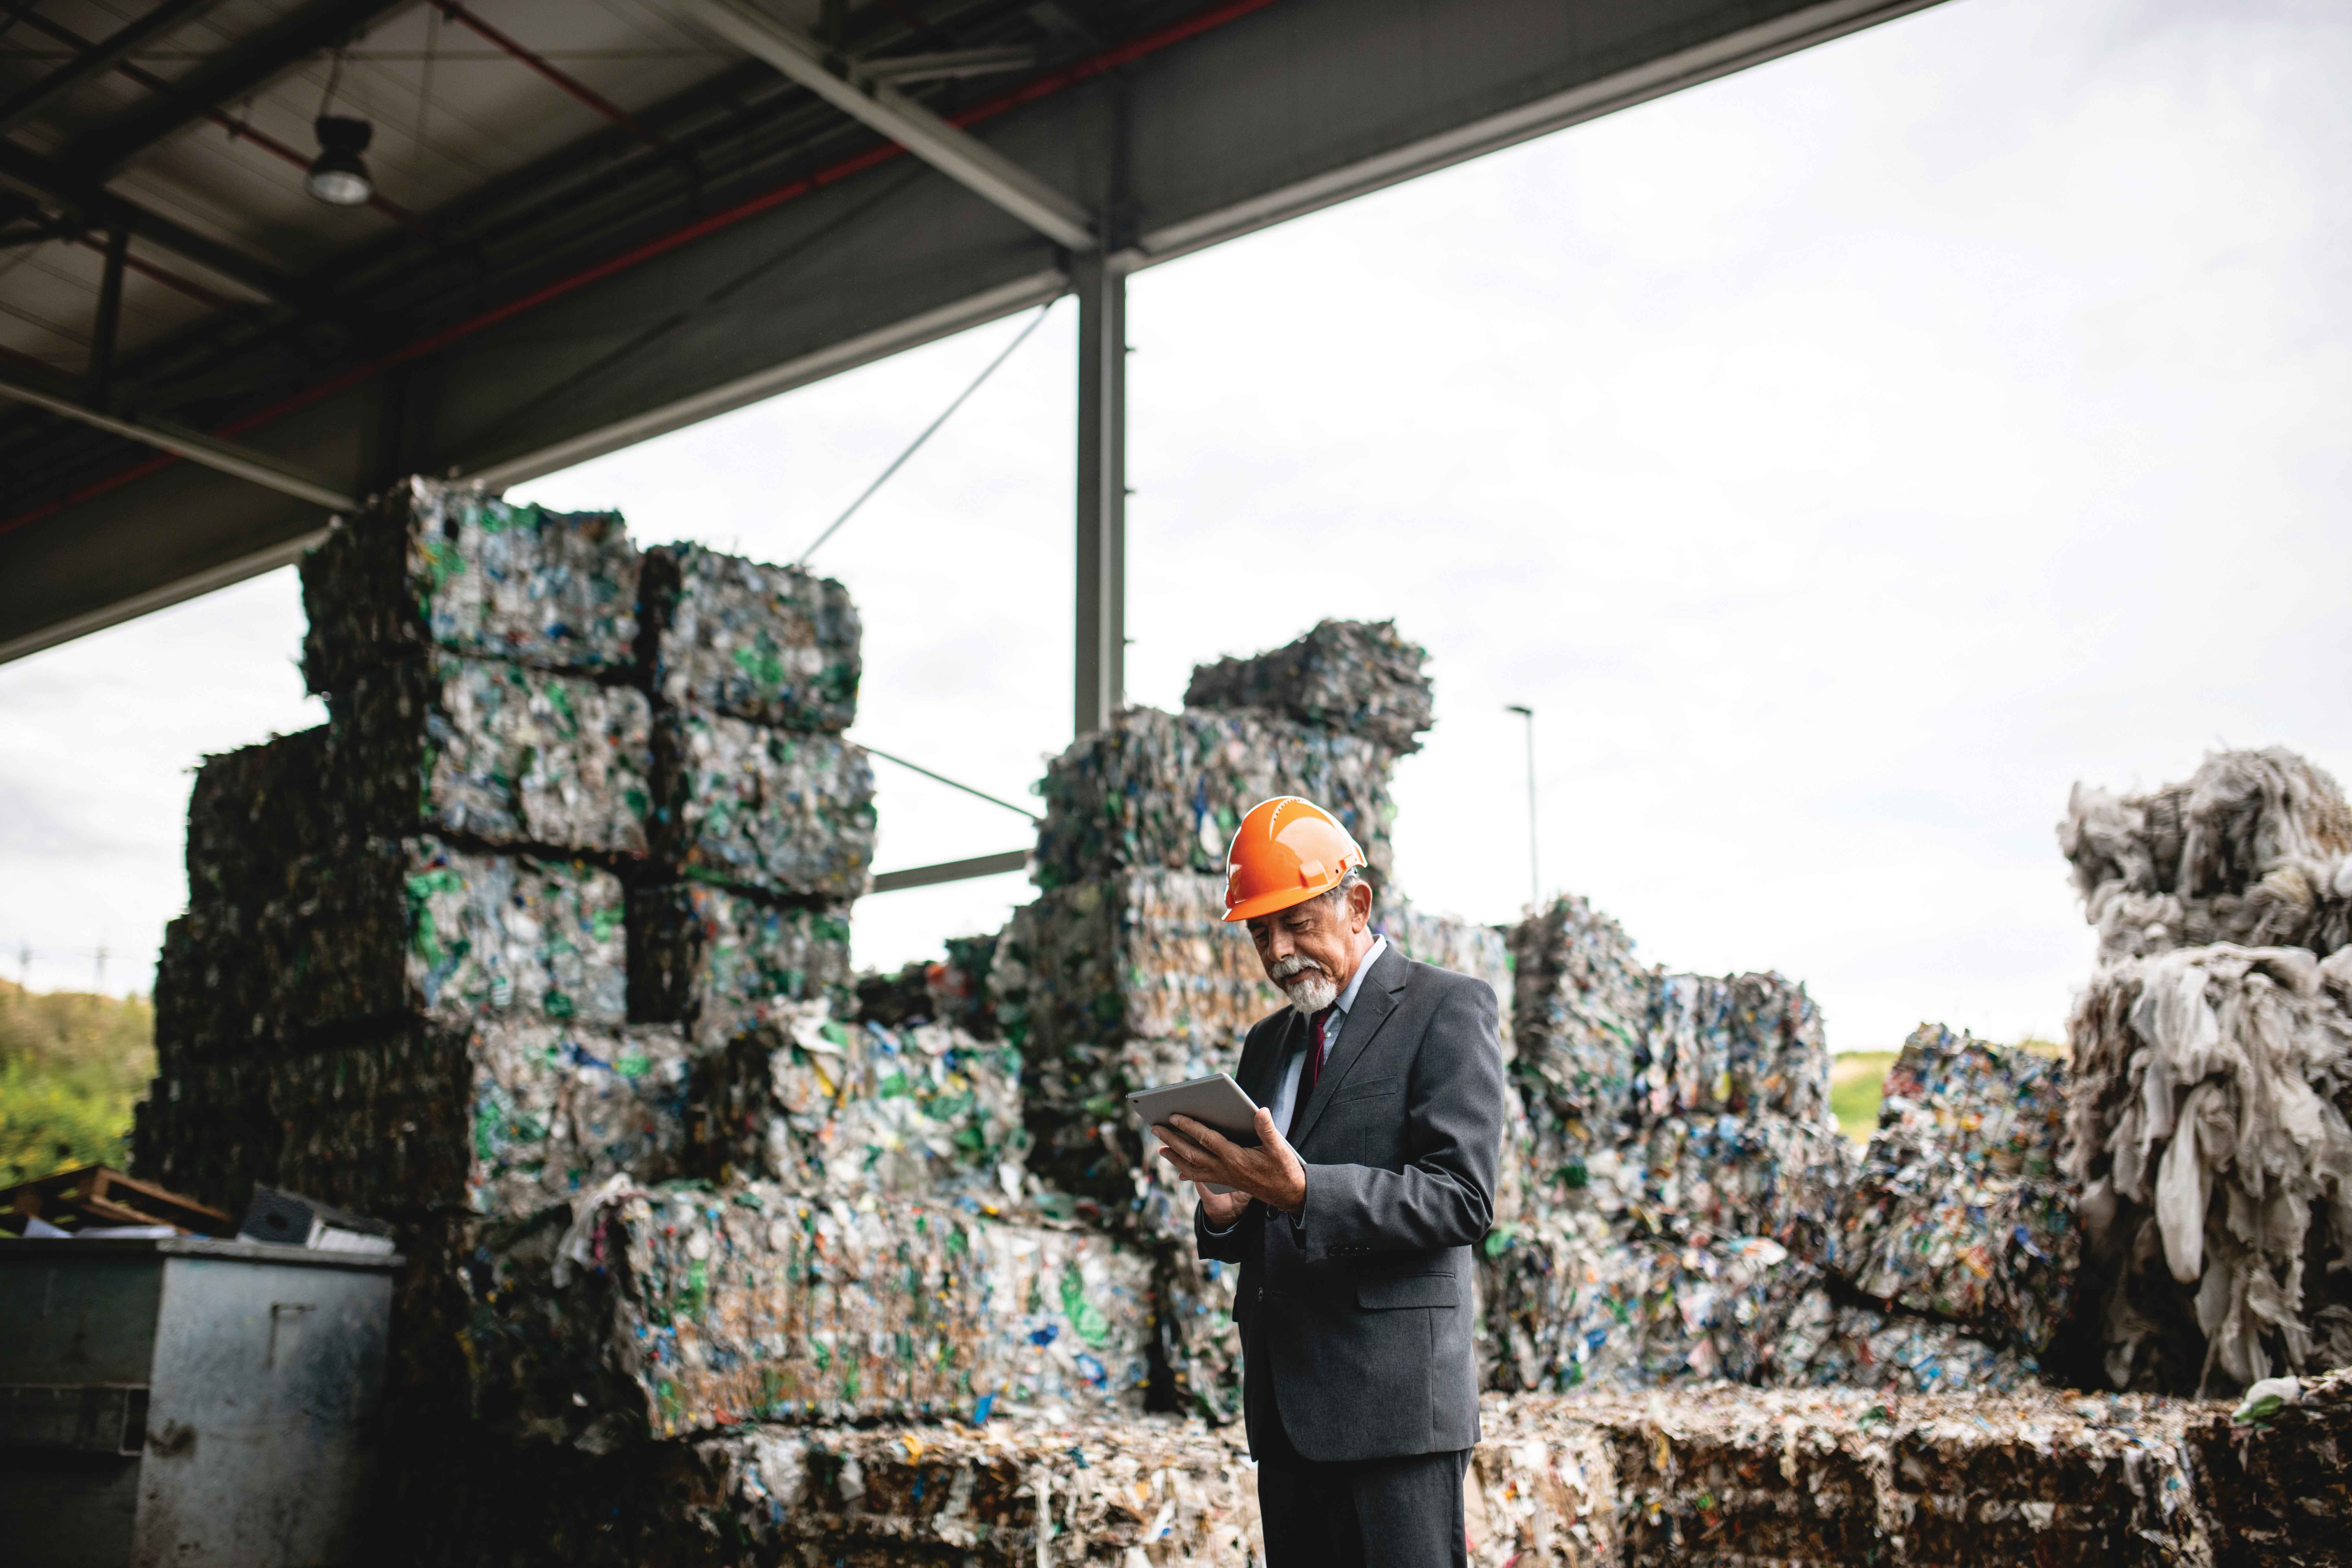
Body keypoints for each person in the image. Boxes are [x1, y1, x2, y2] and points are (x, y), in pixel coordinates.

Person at [1151, 795, 1506, 1568]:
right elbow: (1260, 1210)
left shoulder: (1447, 1009)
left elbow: (1464, 1197)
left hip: (1396, 1413)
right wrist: (1223, 1210)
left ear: (1358, 905)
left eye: (1297, 923)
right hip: (1287, 1413)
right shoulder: (1266, 1042)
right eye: (1259, 931)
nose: (1278, 951)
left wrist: (1304, 1191)